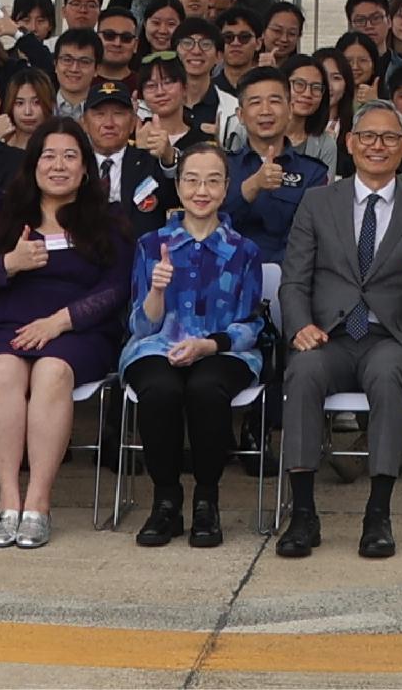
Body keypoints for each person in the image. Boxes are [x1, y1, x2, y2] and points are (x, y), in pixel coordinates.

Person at [275, 105, 402, 561]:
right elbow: (294, 280)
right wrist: (300, 326)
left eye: (389, 138)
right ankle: (303, 514)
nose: (377, 146)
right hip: (329, 337)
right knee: (303, 372)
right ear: (349, 143)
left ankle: (378, 514)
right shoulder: (317, 202)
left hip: (390, 338)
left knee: (388, 374)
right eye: (368, 137)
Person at [0, 122, 131, 550]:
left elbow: (117, 287)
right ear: (33, 164)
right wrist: (11, 263)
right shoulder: (1, 208)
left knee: (52, 372)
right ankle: (8, 500)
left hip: (76, 330)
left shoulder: (107, 218)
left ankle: (38, 502)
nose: (59, 165)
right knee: (2, 371)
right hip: (2, 325)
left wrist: (61, 321)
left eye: (70, 156)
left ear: (86, 168)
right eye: (49, 155)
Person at [122, 145, 267, 548]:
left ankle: (207, 500)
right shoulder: (151, 244)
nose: (201, 191)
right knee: (160, 390)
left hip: (223, 349)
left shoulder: (244, 251)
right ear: (178, 185)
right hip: (158, 345)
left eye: (212, 181)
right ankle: (165, 500)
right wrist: (156, 290)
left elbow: (251, 324)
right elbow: (140, 325)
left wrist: (208, 345)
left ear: (226, 187)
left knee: (205, 389)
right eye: (191, 180)